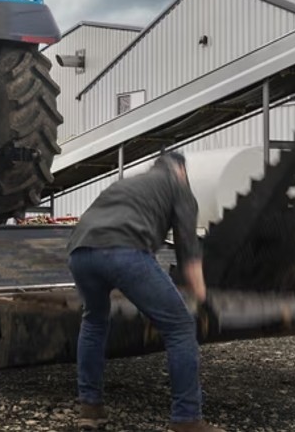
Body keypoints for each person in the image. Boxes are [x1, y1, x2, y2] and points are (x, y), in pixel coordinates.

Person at [66, 152, 222, 432]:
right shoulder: (179, 187)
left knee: (94, 321)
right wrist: (202, 299)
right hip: (124, 251)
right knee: (180, 326)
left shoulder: (126, 183)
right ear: (181, 171)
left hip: (80, 252)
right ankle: (187, 418)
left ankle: (90, 408)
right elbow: (188, 250)